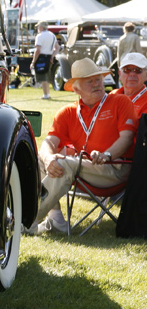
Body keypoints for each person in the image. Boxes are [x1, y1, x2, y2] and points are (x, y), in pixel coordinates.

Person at [30, 58, 136, 234]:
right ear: (76, 88)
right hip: (85, 168)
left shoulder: (120, 102)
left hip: (116, 167)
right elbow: (49, 142)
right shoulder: (67, 112)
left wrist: (107, 155)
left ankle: (27, 220)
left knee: (64, 163)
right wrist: (48, 158)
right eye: (90, 81)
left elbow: (126, 138)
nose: (96, 84)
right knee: (41, 158)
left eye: (98, 79)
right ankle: (56, 219)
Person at [32, 21, 58, 100]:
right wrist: (52, 56)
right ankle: (47, 94)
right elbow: (57, 48)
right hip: (49, 56)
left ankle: (46, 94)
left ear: (40, 27)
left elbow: (38, 50)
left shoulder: (39, 36)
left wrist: (33, 61)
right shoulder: (52, 35)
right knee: (46, 76)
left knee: (43, 76)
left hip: (41, 57)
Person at [116, 52, 147, 119]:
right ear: (120, 74)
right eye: (127, 70)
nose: (132, 74)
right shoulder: (112, 96)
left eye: (137, 70)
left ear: (146, 75)